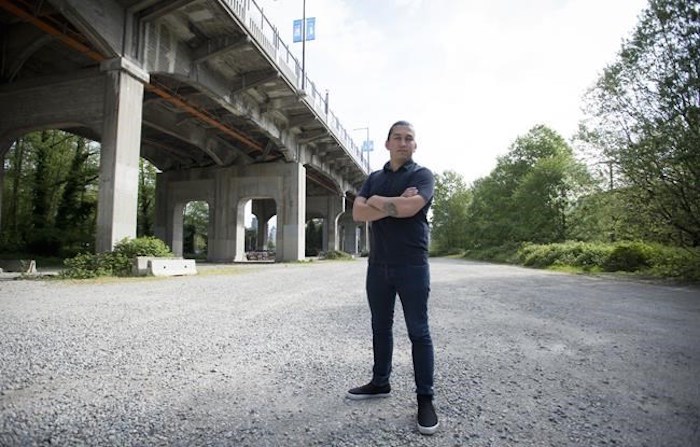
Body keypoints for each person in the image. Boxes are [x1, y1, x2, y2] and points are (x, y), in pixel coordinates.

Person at [346, 120, 438, 435]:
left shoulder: (422, 176)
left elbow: (412, 207)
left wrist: (377, 204)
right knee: (380, 328)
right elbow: (358, 214)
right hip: (378, 266)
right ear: (387, 144)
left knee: (418, 332)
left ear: (415, 145)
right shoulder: (373, 178)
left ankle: (425, 399)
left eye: (408, 138)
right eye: (397, 138)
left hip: (412, 265)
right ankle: (380, 382)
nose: (402, 142)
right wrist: (393, 204)